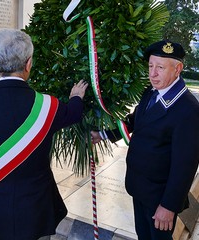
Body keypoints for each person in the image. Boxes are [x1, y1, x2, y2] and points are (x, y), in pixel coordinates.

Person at [0, 28, 88, 240]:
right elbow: (73, 113)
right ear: (28, 63)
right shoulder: (48, 106)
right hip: (35, 215)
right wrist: (76, 97)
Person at [91, 40, 199, 240]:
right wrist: (103, 135)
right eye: (151, 66)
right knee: (143, 235)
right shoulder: (151, 93)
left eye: (160, 67)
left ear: (178, 69)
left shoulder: (188, 109)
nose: (153, 73)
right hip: (140, 187)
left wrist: (168, 206)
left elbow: (185, 165)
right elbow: (135, 121)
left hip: (160, 197)